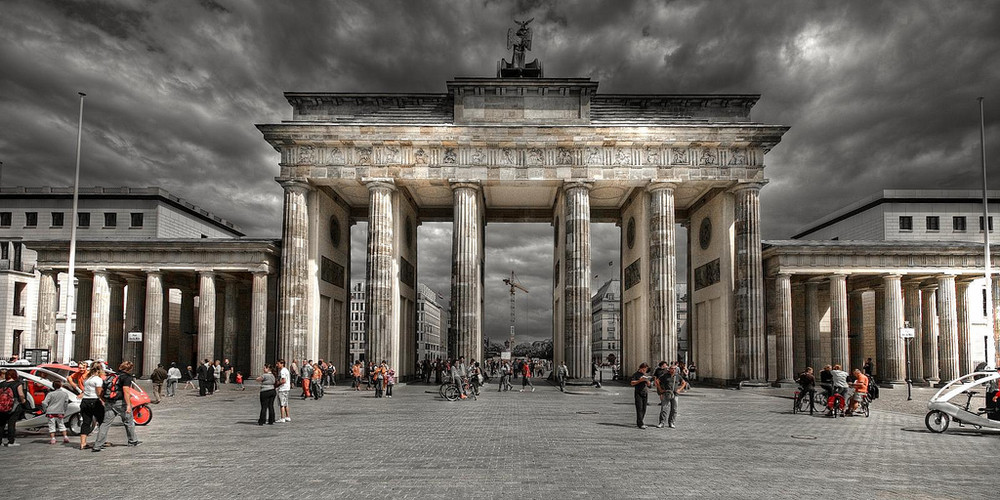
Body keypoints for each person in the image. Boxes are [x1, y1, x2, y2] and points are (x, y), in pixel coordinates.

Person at [92, 361, 140, 452]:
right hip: (121, 402)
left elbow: (102, 390)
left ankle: (97, 445)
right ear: (129, 369)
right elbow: (126, 392)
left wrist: (104, 399)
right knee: (128, 422)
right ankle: (132, 441)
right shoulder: (126, 377)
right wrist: (129, 405)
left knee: (105, 424)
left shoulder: (111, 376)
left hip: (109, 402)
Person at [77, 362, 105, 450]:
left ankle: (83, 443)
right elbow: (99, 392)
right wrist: (103, 400)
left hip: (85, 401)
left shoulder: (87, 379)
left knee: (86, 422)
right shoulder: (97, 379)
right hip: (94, 401)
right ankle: (100, 441)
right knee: (102, 422)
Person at [654, 362, 686, 428]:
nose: (673, 370)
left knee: (674, 409)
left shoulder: (678, 376)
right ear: (669, 369)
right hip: (666, 393)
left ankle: (671, 422)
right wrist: (660, 390)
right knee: (664, 408)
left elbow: (684, 383)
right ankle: (662, 422)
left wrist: (679, 390)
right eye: (672, 369)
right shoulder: (665, 376)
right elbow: (657, 381)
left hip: (675, 394)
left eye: (674, 369)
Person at [0, 370, 27, 446]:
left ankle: (0, 441)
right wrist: (23, 400)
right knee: (11, 424)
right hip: (14, 406)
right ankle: (11, 441)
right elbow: (21, 394)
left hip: (2, 406)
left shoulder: (1, 384)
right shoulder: (17, 384)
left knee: (1, 424)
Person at [42, 379, 72, 444]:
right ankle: (65, 437)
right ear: (61, 385)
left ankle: (53, 438)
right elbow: (66, 403)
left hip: (50, 411)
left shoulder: (50, 394)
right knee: (61, 424)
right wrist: (64, 410)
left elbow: (44, 403)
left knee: (51, 425)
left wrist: (45, 409)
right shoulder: (65, 394)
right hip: (60, 411)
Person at [630, 363, 652, 429]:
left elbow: (650, 386)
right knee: (639, 408)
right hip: (638, 392)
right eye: (643, 369)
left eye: (645, 370)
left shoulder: (645, 375)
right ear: (640, 368)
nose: (644, 371)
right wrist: (639, 380)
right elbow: (632, 383)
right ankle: (640, 423)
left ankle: (640, 421)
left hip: (645, 392)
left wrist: (648, 382)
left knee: (644, 409)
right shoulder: (635, 374)